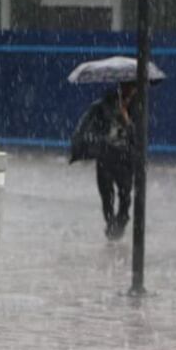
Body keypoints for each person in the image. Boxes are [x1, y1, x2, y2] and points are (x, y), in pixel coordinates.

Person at [70, 81, 138, 240]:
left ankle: (120, 222)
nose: (130, 91)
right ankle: (110, 224)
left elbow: (138, 136)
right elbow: (89, 126)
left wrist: (127, 120)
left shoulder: (138, 108)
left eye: (132, 88)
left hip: (125, 158)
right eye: (126, 87)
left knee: (125, 195)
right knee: (106, 194)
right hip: (106, 155)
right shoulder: (104, 105)